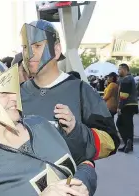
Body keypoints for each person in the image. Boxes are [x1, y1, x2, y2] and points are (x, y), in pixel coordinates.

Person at [0, 60, 96, 196]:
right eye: (3, 92)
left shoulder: (40, 125)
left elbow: (85, 162)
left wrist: (82, 183)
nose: (14, 97)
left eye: (13, 88)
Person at [19, 20, 120, 165]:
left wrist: (76, 130)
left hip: (66, 184)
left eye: (37, 46)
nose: (29, 53)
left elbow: (110, 142)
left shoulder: (81, 91)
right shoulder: (17, 93)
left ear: (56, 49)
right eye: (25, 47)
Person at [116, 63, 138, 153]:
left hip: (127, 105)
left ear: (125, 70)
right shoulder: (129, 78)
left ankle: (127, 141)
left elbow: (124, 95)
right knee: (128, 125)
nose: (118, 71)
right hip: (131, 105)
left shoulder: (126, 79)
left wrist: (120, 107)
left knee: (121, 123)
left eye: (120, 69)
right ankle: (128, 144)